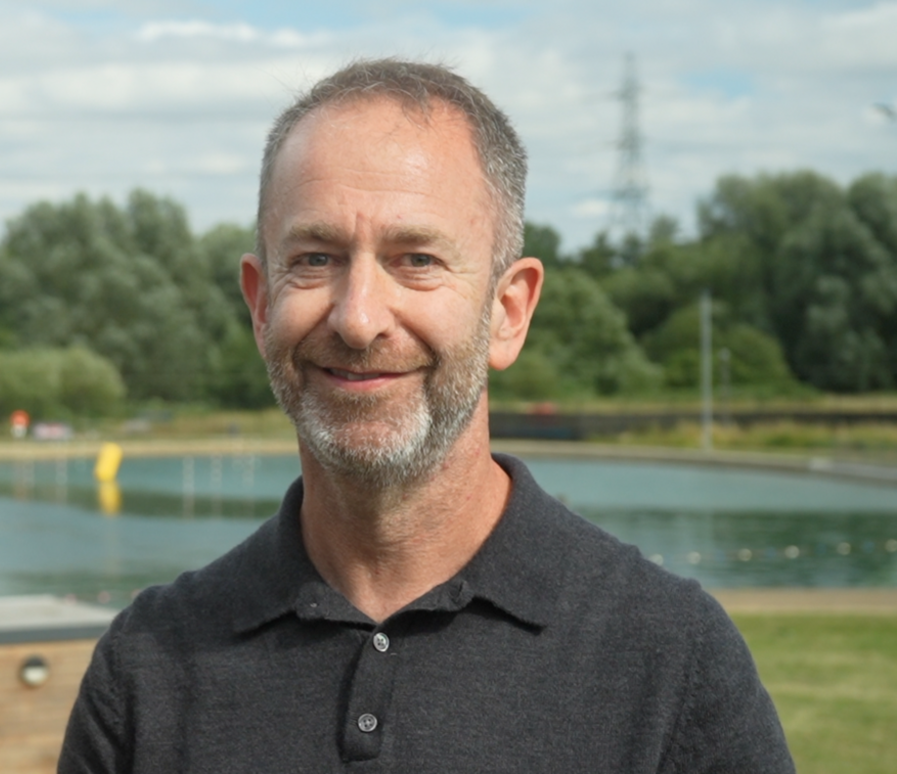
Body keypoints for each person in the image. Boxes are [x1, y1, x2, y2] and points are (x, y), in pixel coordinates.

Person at [58, 58, 793, 773]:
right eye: (314, 259)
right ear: (260, 304)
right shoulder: (147, 665)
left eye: (417, 259)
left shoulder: (670, 659)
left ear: (508, 312)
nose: (358, 318)